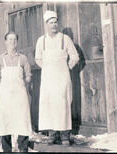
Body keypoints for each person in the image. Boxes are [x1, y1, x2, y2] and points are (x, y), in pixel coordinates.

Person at [35, 10, 79, 145]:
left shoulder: (65, 39)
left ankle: (65, 135)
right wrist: (48, 68)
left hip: (62, 78)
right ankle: (52, 134)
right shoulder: (41, 41)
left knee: (63, 104)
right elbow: (38, 58)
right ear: (46, 25)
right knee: (48, 105)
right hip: (48, 79)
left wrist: (66, 67)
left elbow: (75, 57)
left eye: (55, 22)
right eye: (51, 23)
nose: (54, 25)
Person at [0, 31, 32, 152]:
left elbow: (28, 75)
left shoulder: (23, 58)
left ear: (17, 42)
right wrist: (4, 87)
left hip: (20, 95)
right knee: (5, 121)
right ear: (5, 42)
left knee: (22, 120)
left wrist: (22, 85)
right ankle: (7, 149)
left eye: (14, 39)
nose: (12, 42)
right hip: (5, 95)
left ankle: (23, 147)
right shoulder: (0, 59)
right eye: (10, 39)